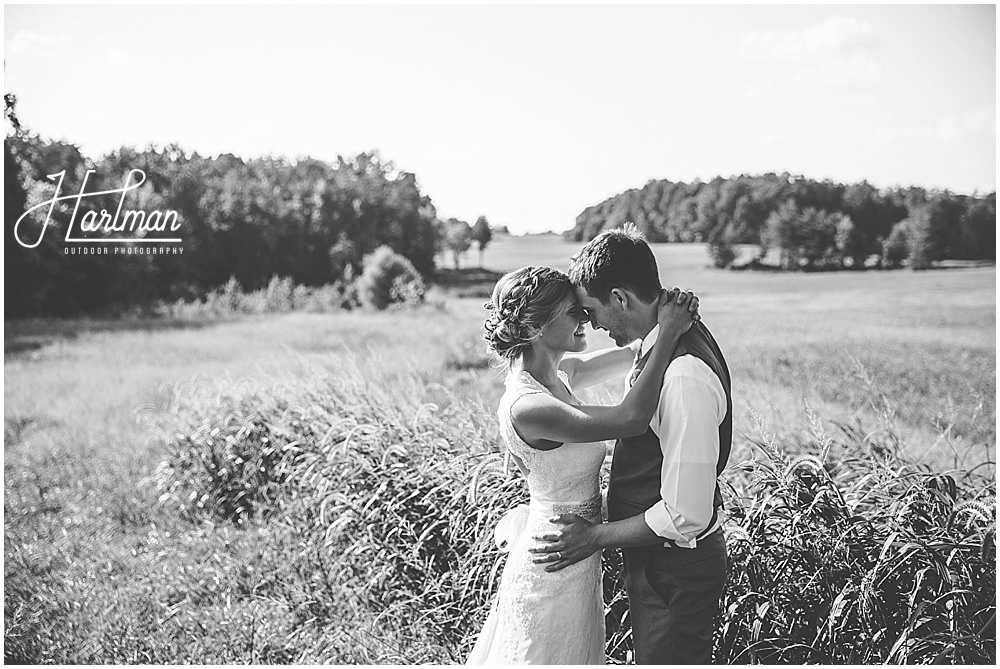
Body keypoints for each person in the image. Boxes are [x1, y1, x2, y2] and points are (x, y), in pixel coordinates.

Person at [466, 265, 700, 665]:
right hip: (554, 559)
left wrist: (663, 317)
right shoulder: (530, 406)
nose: (586, 318)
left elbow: (631, 354)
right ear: (538, 325)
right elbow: (630, 418)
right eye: (575, 311)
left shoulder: (559, 375)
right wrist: (668, 337)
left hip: (577, 551)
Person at [530, 226, 732, 664]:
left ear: (619, 299)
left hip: (675, 569)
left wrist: (595, 537)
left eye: (591, 311)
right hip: (661, 565)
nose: (593, 325)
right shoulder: (658, 343)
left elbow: (686, 515)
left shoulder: (682, 375)